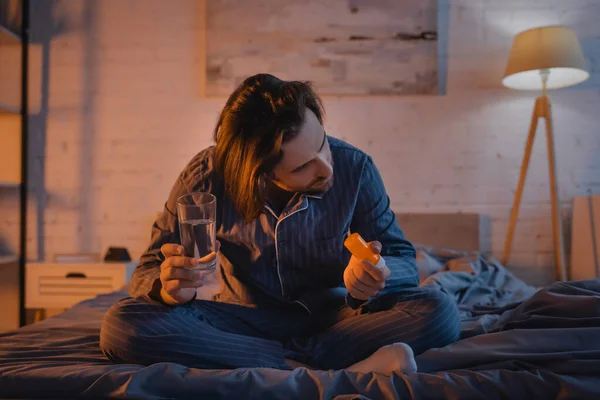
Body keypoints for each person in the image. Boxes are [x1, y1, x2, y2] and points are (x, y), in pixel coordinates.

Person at [100, 73, 460, 375]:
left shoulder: (356, 169)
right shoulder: (205, 177)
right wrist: (168, 289)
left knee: (440, 312)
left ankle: (275, 366)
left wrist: (376, 273)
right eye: (303, 167)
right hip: (240, 319)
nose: (326, 167)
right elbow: (147, 269)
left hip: (336, 317)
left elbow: (400, 256)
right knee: (121, 325)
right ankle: (324, 368)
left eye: (322, 144)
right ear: (259, 175)